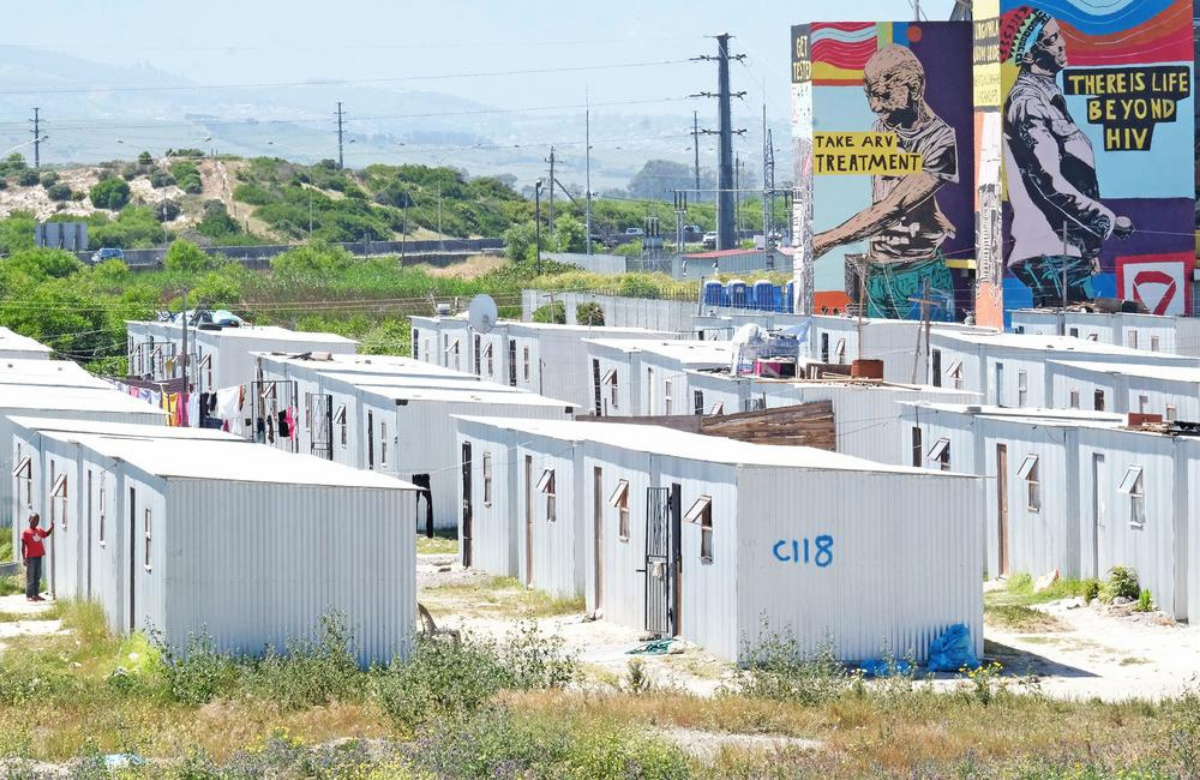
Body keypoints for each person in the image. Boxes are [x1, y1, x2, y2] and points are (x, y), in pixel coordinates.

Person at [812, 44, 957, 320]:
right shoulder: (881, 128)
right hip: (877, 274)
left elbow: (894, 206)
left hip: (919, 275)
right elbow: (889, 196)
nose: (874, 106)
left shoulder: (941, 141)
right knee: (876, 359)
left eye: (883, 95)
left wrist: (824, 241)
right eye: (870, 95)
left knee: (926, 355)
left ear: (914, 89)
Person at [1001, 7, 1133, 307]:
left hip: (1063, 251)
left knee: (1066, 327)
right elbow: (1049, 182)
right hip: (1049, 251)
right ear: (1030, 55)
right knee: (1073, 331)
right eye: (1051, 39)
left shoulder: (1048, 99)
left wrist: (1087, 248)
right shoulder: (1028, 103)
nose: (1062, 43)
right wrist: (1108, 221)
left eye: (1059, 34)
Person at [20, 513, 52, 602]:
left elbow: (46, 534)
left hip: (39, 557)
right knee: (31, 578)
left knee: (37, 577)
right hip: (30, 558)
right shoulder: (26, 532)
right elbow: (23, 547)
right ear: (29, 519)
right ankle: (29, 596)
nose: (35, 522)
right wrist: (24, 558)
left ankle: (36, 595)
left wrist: (52, 526)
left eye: (37, 520)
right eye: (34, 519)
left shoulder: (39, 530)